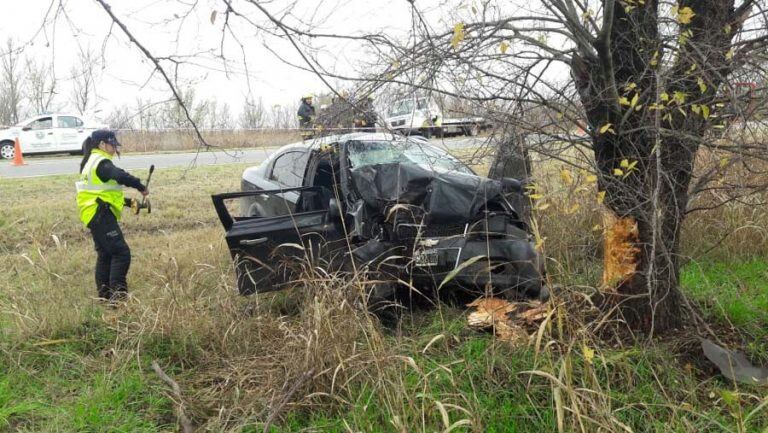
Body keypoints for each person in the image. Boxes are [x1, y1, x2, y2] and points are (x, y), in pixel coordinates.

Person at [75, 130, 148, 304]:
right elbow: (120, 175)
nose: (115, 149)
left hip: (94, 213)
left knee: (106, 255)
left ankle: (105, 296)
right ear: (102, 144)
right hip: (100, 214)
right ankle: (119, 299)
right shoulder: (101, 163)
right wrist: (140, 186)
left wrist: (130, 203)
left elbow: (104, 193)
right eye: (112, 145)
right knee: (121, 253)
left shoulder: (90, 161)